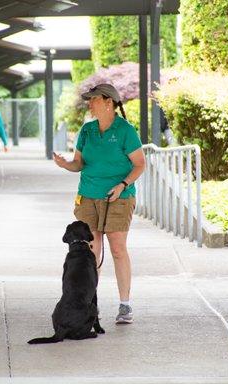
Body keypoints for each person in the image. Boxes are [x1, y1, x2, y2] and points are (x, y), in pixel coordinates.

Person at [53, 83, 145, 325]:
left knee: (117, 249)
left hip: (119, 196)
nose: (89, 103)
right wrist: (65, 165)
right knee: (91, 251)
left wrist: (123, 185)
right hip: (88, 196)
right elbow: (79, 164)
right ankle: (90, 304)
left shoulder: (125, 130)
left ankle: (125, 305)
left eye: (93, 99)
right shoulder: (87, 130)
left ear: (108, 102)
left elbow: (140, 164)